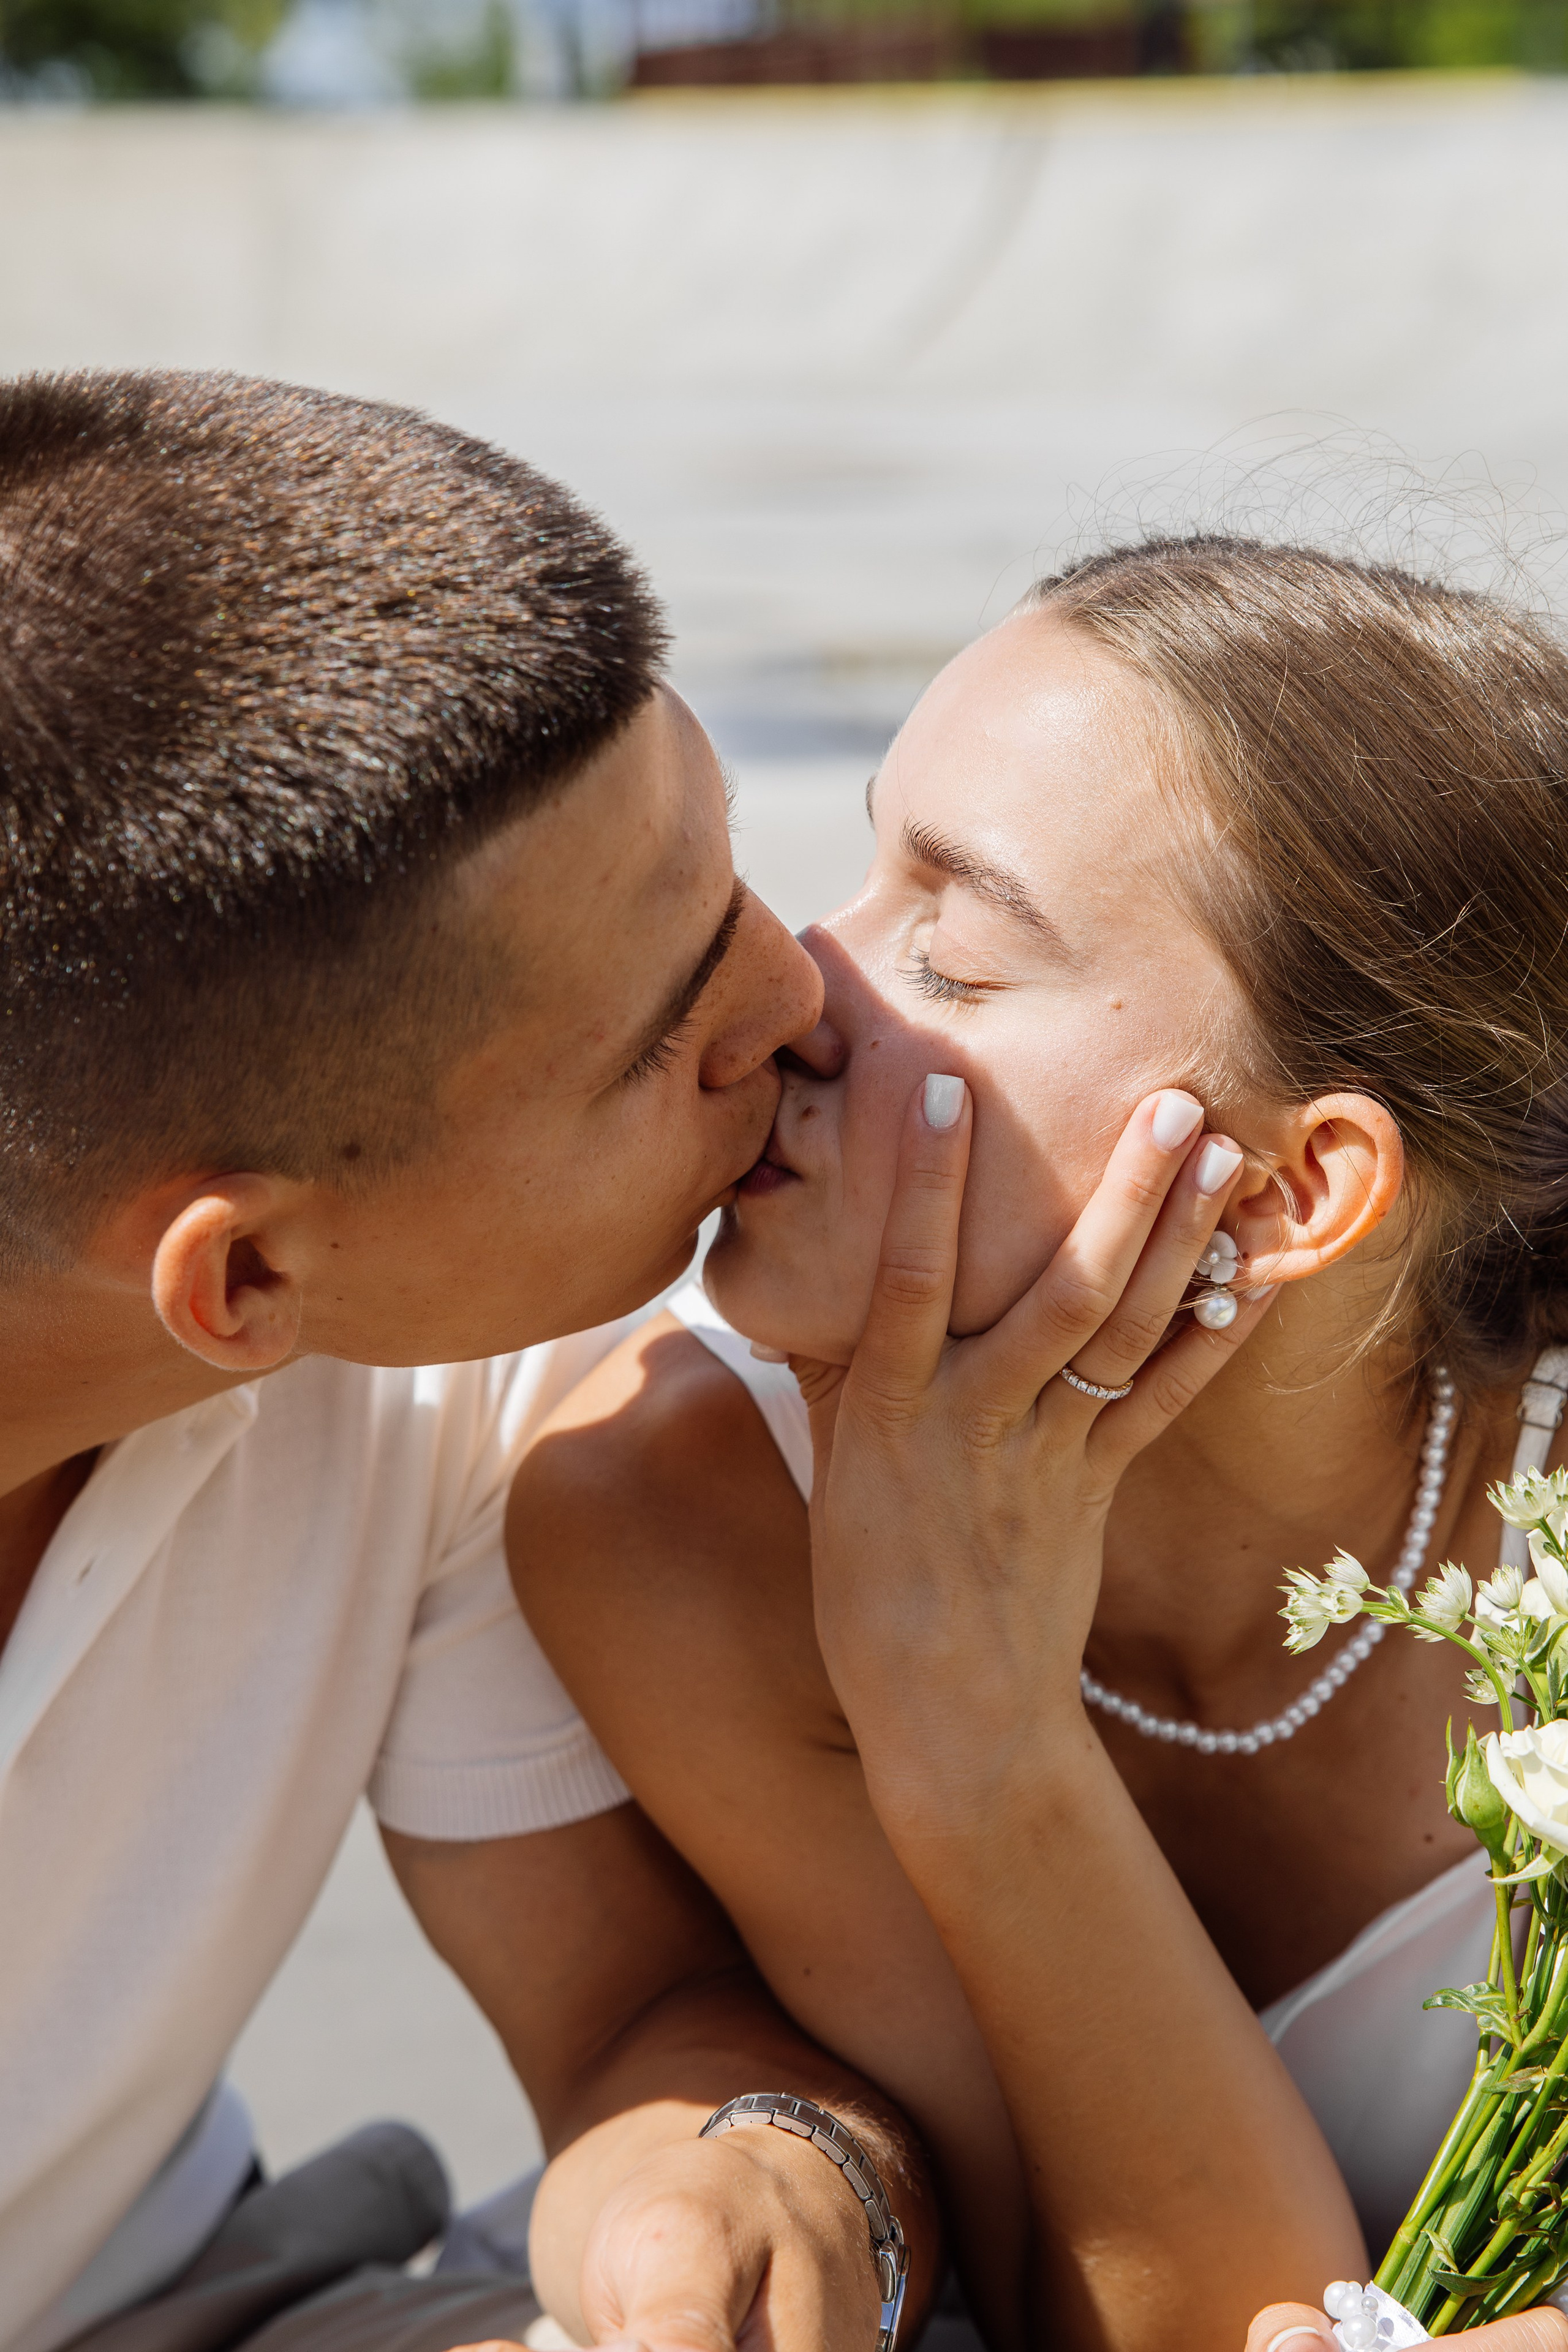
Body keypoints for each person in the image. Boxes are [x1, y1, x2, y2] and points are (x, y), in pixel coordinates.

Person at [510, 533, 1568, 2352]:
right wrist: (967, 1723)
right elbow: (1156, 2324)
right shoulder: (677, 1514)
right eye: (850, 874)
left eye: (959, 947)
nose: (786, 992)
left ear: (1305, 1186)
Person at [0, 368, 945, 2352]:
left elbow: (616, 2008)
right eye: (664, 1037)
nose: (807, 996)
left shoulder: (442, 1372)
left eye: (728, 864)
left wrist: (762, 2176)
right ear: (240, 1276)